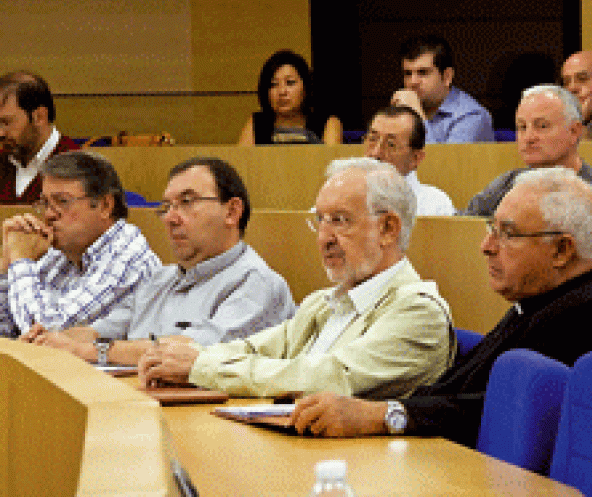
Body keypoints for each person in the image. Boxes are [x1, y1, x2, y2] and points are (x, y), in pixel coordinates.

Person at [288, 167, 592, 447]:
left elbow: (493, 409)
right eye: (491, 228)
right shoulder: (535, 303)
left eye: (507, 234)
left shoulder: (589, 315)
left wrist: (380, 416)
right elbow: (453, 391)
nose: (486, 246)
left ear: (561, 251)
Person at [138, 157, 454, 398]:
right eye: (320, 220)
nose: (324, 238)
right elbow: (253, 348)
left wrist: (198, 367)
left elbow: (326, 378)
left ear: (388, 229)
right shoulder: (323, 303)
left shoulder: (419, 311)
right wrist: (184, 358)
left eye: (340, 220)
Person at [22, 157, 296, 365]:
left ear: (232, 212)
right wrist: (51, 340)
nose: (171, 218)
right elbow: (100, 332)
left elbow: (198, 350)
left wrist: (88, 351)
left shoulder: (255, 283)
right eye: (167, 207)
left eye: (187, 202)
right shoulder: (160, 280)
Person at [0, 151, 160, 338]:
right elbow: (6, 329)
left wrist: (21, 261)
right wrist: (6, 263)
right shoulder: (60, 252)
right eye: (45, 202)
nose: (49, 214)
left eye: (63, 201)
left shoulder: (126, 256)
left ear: (105, 206)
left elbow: (46, 331)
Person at [462, 84, 592, 216]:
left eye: (542, 126)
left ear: (574, 132)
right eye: (522, 127)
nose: (529, 137)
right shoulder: (508, 182)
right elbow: (462, 226)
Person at [391, 35, 494, 144]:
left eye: (423, 72)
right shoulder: (404, 108)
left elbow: (445, 161)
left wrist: (417, 115)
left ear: (447, 77)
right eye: (408, 73)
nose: (413, 82)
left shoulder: (472, 116)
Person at [0, 70, 80, 204]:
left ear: (39, 117)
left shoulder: (80, 169)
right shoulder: (3, 159)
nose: (0, 133)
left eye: (6, 122)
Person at [237, 50, 342, 146]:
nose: (282, 92)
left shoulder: (328, 123)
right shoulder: (257, 124)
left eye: (290, 83)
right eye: (273, 84)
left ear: (305, 87)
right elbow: (241, 163)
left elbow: (331, 164)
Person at [364, 105, 455, 215]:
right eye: (372, 139)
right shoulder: (348, 195)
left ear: (416, 158)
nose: (375, 153)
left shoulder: (434, 204)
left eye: (390, 144)